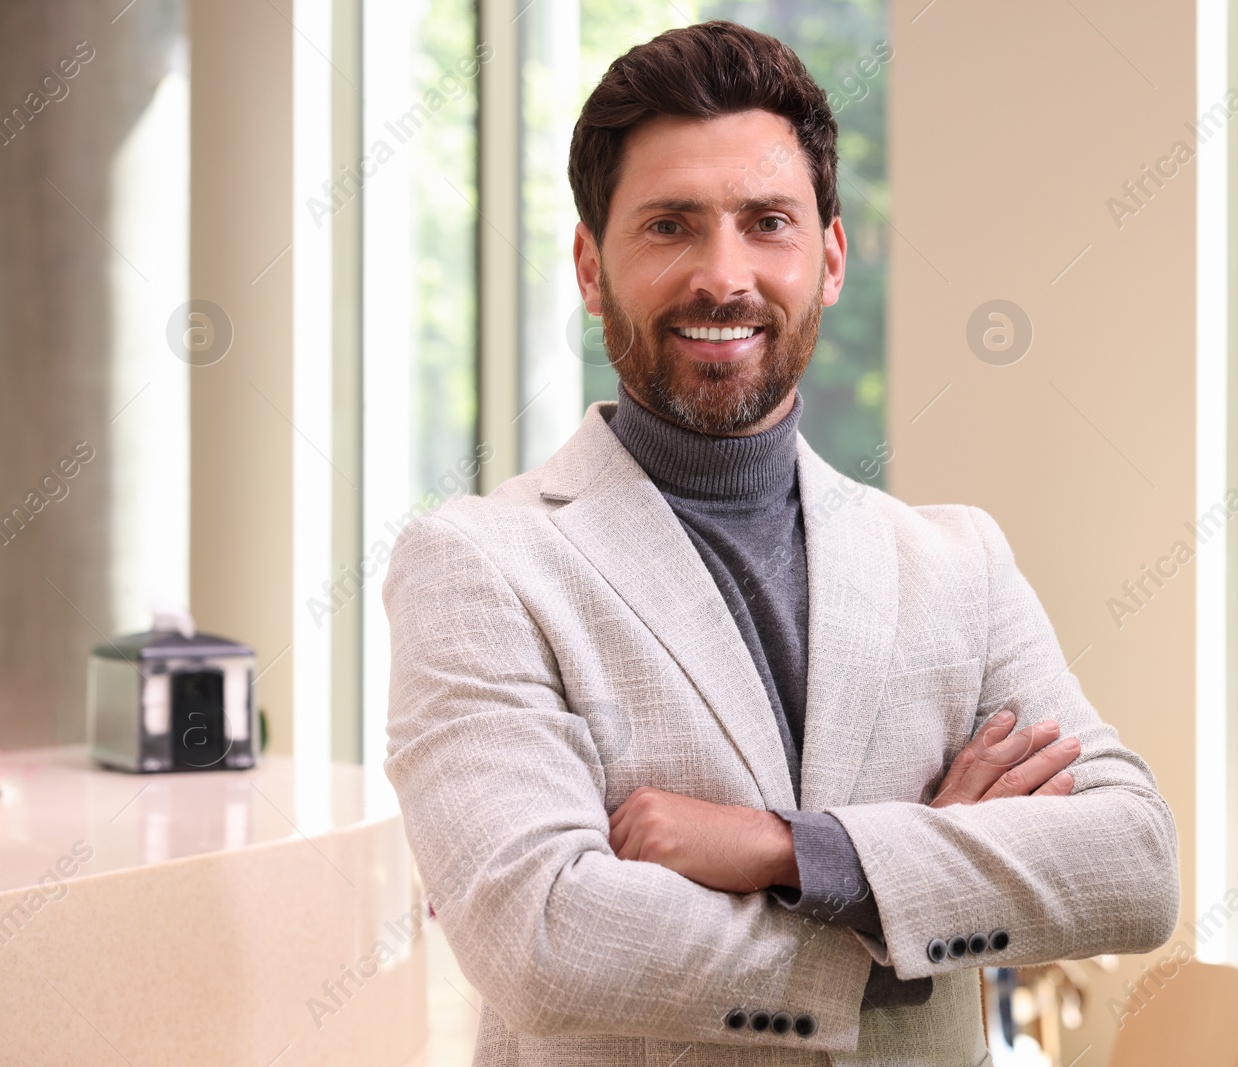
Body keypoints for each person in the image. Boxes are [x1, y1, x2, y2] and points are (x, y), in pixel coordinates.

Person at [383, 19, 1179, 1067]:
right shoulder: (479, 564)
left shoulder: (955, 563)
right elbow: (541, 935)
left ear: (831, 257)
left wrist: (789, 849)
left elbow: (1132, 861)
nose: (725, 275)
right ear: (589, 265)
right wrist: (906, 917)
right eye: (670, 225)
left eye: (768, 222)